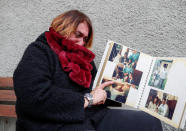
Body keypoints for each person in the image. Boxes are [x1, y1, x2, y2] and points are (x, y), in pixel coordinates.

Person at [13, 10, 163, 131]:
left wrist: (122, 90)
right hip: (49, 123)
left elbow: (96, 92)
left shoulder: (84, 60)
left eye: (85, 39)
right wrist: (87, 99)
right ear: (63, 28)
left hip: (91, 116)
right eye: (78, 35)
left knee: (149, 121)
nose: (81, 42)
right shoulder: (39, 51)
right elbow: (32, 95)